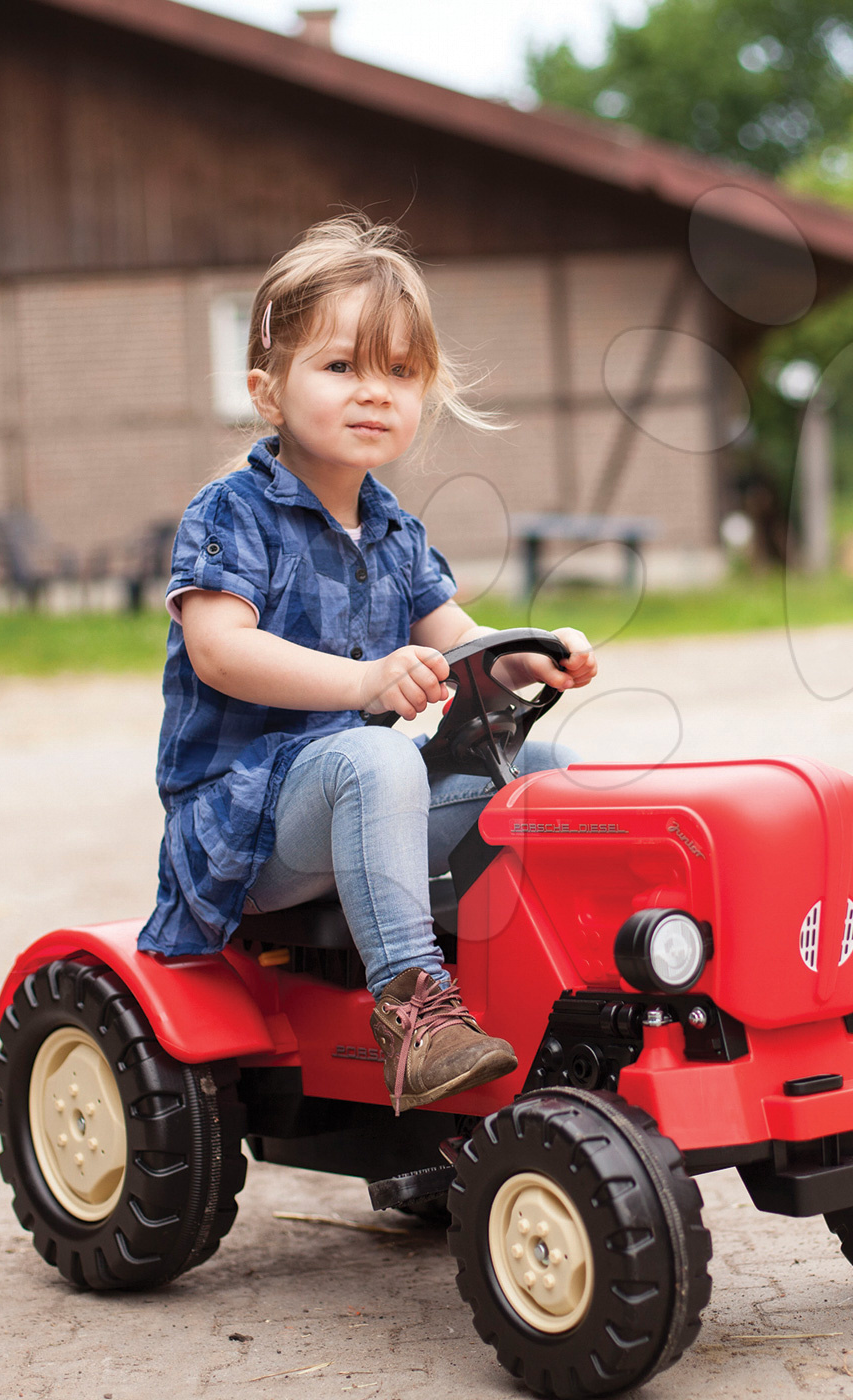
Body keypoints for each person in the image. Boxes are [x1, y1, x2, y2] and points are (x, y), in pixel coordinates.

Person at [140, 215, 595, 1111]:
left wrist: (533, 658)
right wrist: (361, 683)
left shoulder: (393, 530)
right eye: (341, 367)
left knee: (545, 772)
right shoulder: (232, 512)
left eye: (399, 372)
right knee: (379, 753)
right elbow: (220, 651)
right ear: (268, 392)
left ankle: (560, 987)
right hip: (246, 824)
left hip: (358, 802)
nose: (373, 392)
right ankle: (413, 1015)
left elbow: (461, 644)